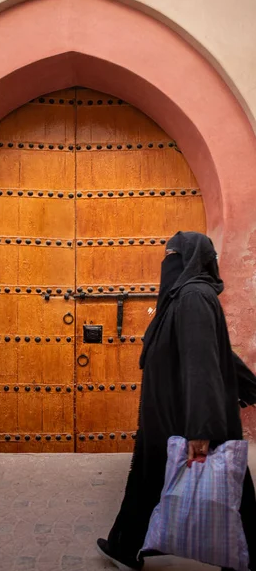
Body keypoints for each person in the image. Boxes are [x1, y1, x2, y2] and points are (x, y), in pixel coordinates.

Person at [97, 231, 256, 571]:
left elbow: (202, 362)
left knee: (227, 486)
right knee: (151, 480)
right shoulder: (183, 297)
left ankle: (244, 556)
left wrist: (201, 430)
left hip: (185, 418)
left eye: (171, 255)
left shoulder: (193, 297)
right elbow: (218, 352)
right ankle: (126, 546)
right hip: (172, 417)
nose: (165, 262)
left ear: (189, 259)